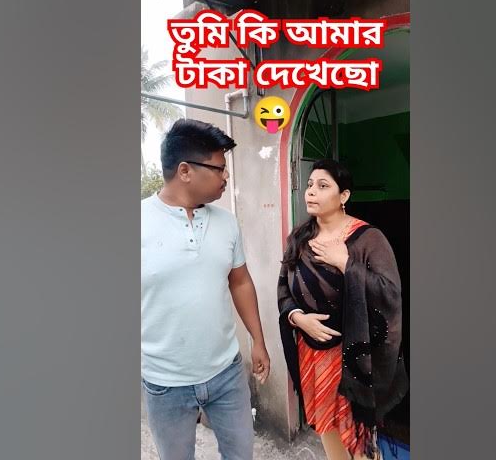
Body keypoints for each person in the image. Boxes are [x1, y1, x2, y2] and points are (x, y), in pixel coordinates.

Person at [142, 119, 270, 460]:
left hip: (227, 374)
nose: (225, 177)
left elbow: (240, 281)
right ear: (185, 170)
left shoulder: (227, 222)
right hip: (165, 383)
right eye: (219, 169)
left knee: (241, 455)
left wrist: (258, 340)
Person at [278, 159, 408, 460]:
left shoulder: (368, 239)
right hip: (312, 355)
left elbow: (390, 294)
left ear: (344, 196)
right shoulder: (299, 237)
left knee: (357, 438)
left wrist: (345, 263)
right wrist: (297, 318)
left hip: (353, 361)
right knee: (326, 427)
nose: (312, 191)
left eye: (323, 186)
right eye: (310, 185)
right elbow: (284, 287)